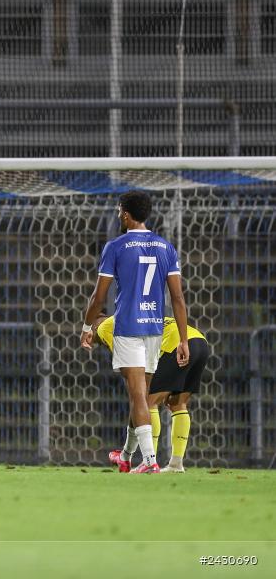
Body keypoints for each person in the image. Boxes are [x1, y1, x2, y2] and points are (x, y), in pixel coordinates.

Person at [80, 190, 189, 474]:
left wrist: (86, 325)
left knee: (138, 396)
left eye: (119, 212)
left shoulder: (115, 247)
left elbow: (98, 297)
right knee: (141, 395)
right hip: (155, 327)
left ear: (126, 215)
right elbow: (177, 298)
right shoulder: (166, 248)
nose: (119, 216)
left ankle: (150, 461)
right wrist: (183, 339)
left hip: (128, 327)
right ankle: (127, 456)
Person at [93, 313, 209, 473]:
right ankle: (176, 464)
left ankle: (149, 461)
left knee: (146, 402)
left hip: (177, 344)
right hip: (199, 342)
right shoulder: (135, 318)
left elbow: (129, 364)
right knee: (178, 403)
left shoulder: (104, 327)